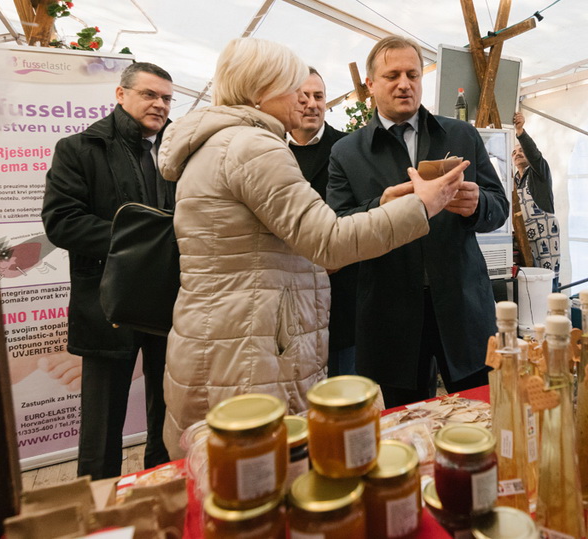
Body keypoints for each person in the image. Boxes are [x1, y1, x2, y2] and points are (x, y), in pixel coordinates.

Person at [157, 38, 468, 458]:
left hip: (224, 333)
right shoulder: (253, 148)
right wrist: (423, 205)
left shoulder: (218, 144)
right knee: (256, 477)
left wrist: (384, 206)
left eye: (412, 75)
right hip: (250, 344)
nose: (303, 98)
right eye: (293, 87)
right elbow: (328, 242)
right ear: (262, 90)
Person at [327, 36, 510, 407]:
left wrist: (477, 205)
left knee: (481, 411)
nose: (404, 83)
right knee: (404, 425)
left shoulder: (460, 135)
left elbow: (499, 207)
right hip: (389, 314)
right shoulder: (347, 152)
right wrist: (380, 205)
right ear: (370, 84)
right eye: (392, 75)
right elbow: (336, 229)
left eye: (412, 74)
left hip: (462, 305)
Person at [41, 62, 176, 479]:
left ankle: (165, 495)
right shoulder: (81, 148)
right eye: (149, 94)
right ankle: (101, 510)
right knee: (101, 427)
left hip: (170, 301)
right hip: (107, 302)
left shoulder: (179, 152)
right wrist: (139, 242)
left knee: (170, 416)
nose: (159, 104)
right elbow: (62, 221)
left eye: (167, 98)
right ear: (121, 95)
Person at [287, 67, 358, 376]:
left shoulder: (348, 148)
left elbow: (363, 212)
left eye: (318, 96)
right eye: (303, 96)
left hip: (340, 293)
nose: (311, 104)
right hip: (286, 295)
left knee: (343, 390)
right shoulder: (269, 150)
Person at [512, 111, 561, 290]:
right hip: (525, 237)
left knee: (547, 282)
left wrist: (520, 131)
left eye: (521, 150)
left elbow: (534, 155)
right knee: (531, 283)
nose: (518, 154)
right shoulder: (514, 180)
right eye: (514, 152)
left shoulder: (539, 172)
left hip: (545, 237)